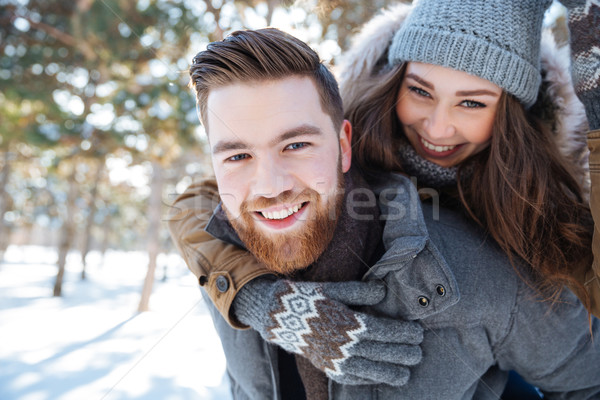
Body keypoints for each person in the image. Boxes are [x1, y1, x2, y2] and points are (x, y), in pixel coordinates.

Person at [174, 25, 600, 399]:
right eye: (237, 156)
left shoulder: (508, 255)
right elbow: (189, 206)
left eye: (296, 145)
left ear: (343, 145)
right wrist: (258, 299)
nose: (436, 128)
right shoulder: (231, 247)